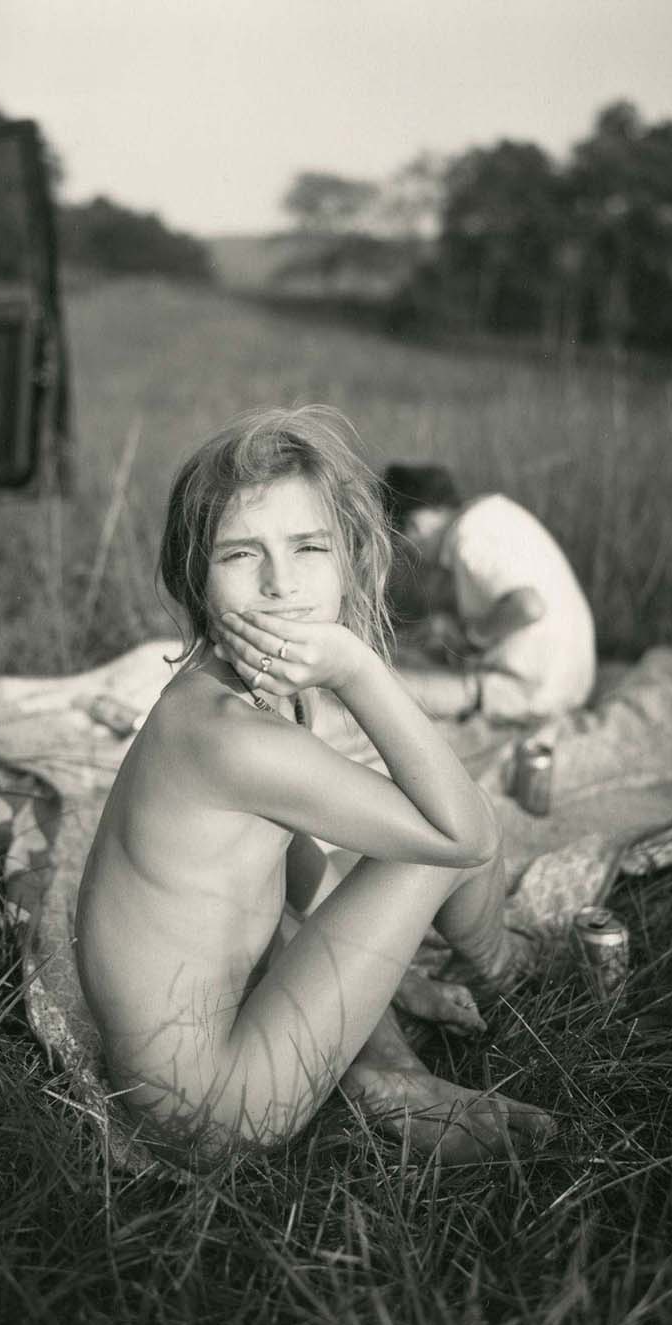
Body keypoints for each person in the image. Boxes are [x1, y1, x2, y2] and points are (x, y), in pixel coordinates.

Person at [75, 406, 556, 1163]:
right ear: (195, 577)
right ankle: (504, 972)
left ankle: (389, 1076)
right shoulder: (224, 735)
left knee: (338, 881)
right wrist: (358, 666)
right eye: (241, 554)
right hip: (214, 1111)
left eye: (308, 546)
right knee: (440, 836)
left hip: (220, 1044)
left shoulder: (243, 689)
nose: (281, 585)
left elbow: (292, 862)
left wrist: (398, 981)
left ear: (348, 556)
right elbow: (467, 835)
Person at [380, 464, 597, 723]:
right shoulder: (490, 514)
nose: (417, 556)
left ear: (416, 525)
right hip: (571, 677)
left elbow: (528, 605)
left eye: (406, 545)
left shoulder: (468, 537)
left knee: (392, 688)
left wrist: (472, 637)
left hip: (542, 690)